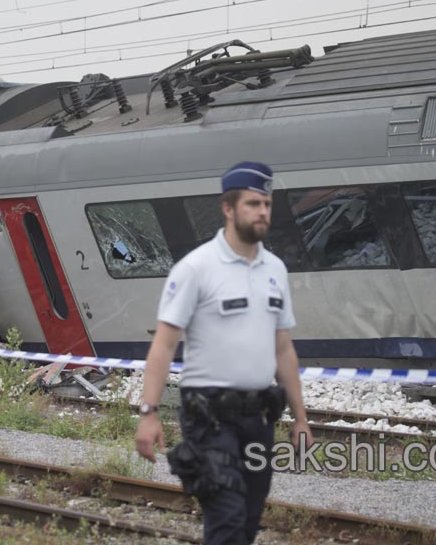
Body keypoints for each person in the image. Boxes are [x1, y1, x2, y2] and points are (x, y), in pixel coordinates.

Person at [134, 161, 313, 545]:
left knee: (248, 518)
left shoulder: (276, 269)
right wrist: (149, 413)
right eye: (252, 203)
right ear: (229, 209)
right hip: (209, 417)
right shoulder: (197, 268)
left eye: (266, 203)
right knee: (228, 516)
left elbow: (283, 348)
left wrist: (300, 418)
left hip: (258, 417)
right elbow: (163, 344)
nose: (262, 211)